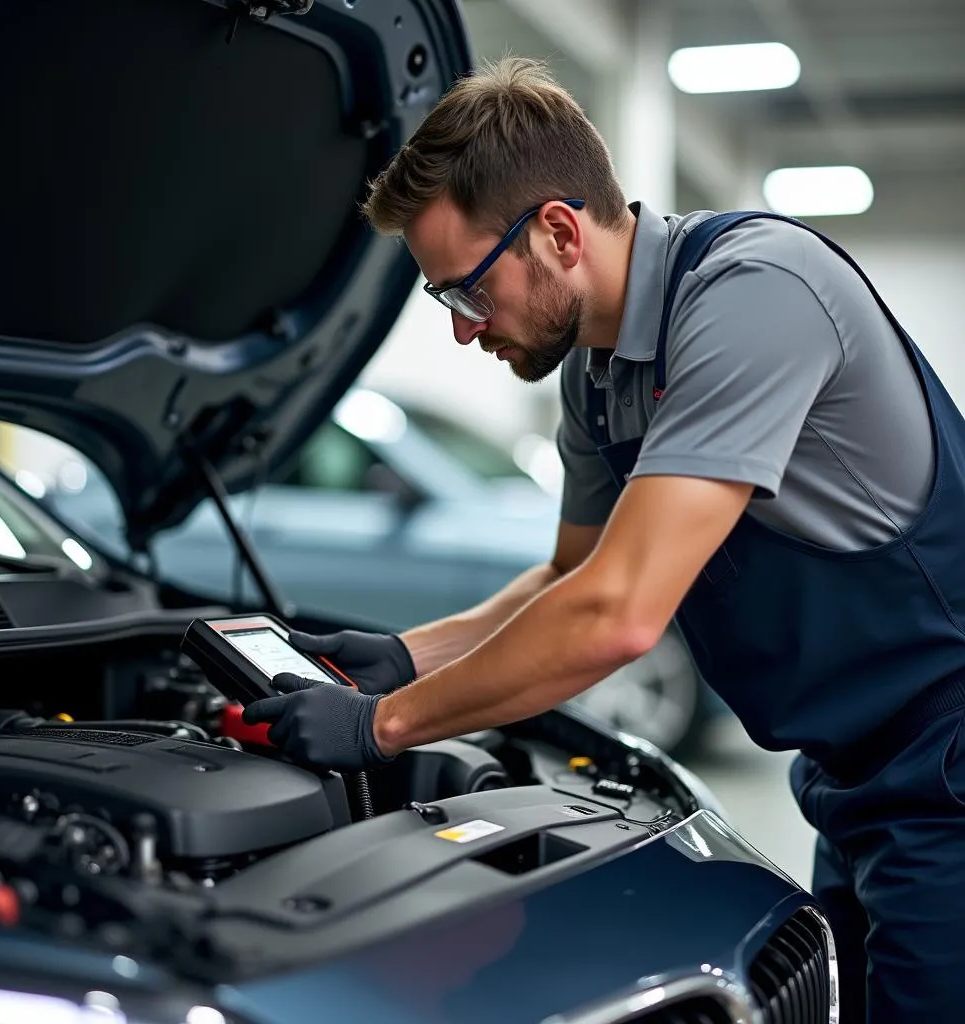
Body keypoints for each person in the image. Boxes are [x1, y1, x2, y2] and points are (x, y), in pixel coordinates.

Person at [242, 57, 965, 1022]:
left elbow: (617, 615)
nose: (465, 331)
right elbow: (571, 574)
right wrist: (403, 658)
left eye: (465, 292)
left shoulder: (756, 293)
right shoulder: (596, 372)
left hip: (949, 759)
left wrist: (384, 729)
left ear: (556, 231)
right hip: (856, 774)